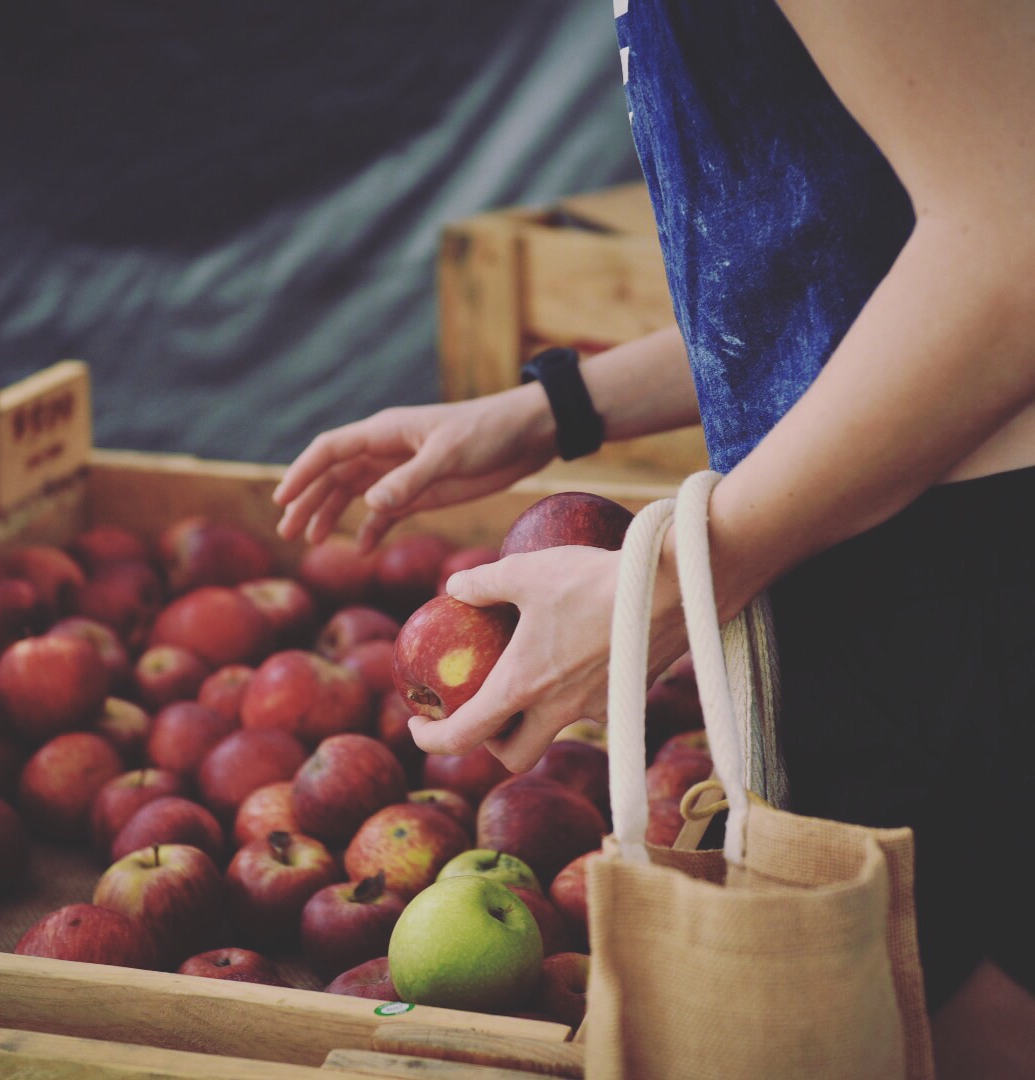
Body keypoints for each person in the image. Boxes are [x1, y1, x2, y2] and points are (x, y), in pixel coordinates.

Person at [273, 1, 1033, 1074]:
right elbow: (846, 261)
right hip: (873, 566)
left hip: (974, 596)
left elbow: (1014, 248)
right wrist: (555, 409)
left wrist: (680, 579)